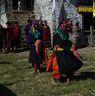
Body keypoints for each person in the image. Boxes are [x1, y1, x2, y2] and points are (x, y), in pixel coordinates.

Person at [46, 19, 83, 83]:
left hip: (65, 51)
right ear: (61, 25)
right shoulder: (57, 33)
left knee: (71, 63)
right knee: (59, 67)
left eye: (66, 26)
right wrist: (70, 50)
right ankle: (55, 79)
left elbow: (66, 41)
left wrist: (72, 44)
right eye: (64, 25)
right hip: (59, 53)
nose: (65, 27)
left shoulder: (63, 32)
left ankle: (69, 77)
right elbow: (61, 43)